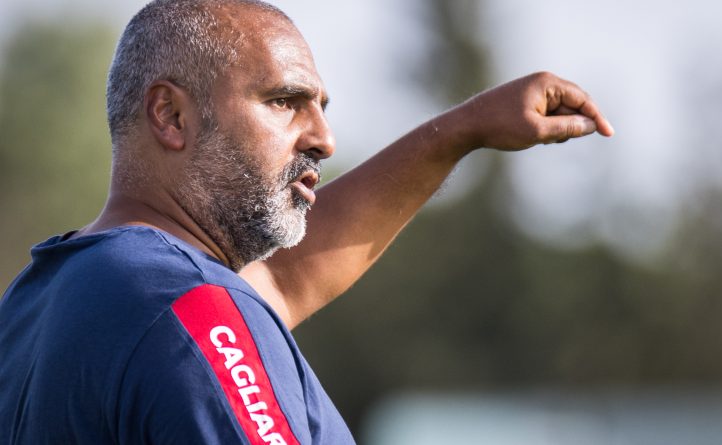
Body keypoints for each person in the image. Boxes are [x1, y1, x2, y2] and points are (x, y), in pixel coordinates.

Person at [0, 0, 613, 443]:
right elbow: (212, 317)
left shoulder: (46, 299)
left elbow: (285, 282)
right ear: (171, 115)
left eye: (321, 108)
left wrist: (462, 129)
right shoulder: (191, 311)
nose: (324, 138)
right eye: (284, 102)